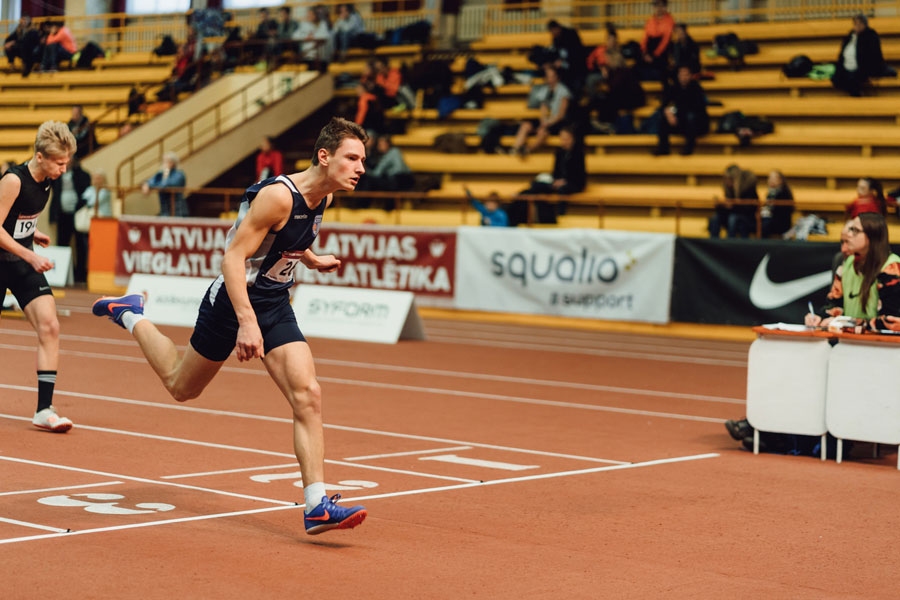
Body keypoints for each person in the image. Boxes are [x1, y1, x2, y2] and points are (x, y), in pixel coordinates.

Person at [91, 116, 369, 535]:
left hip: (275, 301)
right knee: (181, 386)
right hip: (232, 302)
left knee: (308, 394)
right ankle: (131, 313)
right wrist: (246, 323)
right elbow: (233, 257)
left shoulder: (324, 198)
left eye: (363, 159)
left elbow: (290, 239)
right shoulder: (278, 196)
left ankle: (316, 504)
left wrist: (311, 259)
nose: (361, 167)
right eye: (352, 158)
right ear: (325, 156)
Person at [726, 213, 900, 453]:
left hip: (879, 352)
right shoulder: (845, 264)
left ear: (873, 237)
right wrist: (822, 318)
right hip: (845, 346)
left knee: (816, 369)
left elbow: (892, 321)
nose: (846, 233)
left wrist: (845, 324)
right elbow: (833, 305)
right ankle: (771, 431)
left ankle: (786, 436)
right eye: (848, 228)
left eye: (855, 230)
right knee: (797, 364)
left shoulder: (891, 267)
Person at [0, 121, 77, 432]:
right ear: (41, 156)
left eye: (66, 163)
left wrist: (33, 232)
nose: (63, 169)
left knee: (50, 325)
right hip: (9, 259)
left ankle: (44, 409)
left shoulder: (47, 180)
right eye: (59, 163)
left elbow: (15, 220)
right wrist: (30, 254)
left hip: (18, 262)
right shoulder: (13, 181)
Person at [509, 125, 586, 226]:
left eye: (566, 138)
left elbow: (579, 175)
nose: (564, 141)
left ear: (572, 138)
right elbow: (556, 171)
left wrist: (565, 181)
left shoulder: (578, 153)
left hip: (573, 183)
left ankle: (560, 214)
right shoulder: (559, 152)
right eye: (562, 138)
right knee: (538, 185)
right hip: (558, 181)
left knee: (563, 189)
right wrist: (555, 180)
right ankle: (521, 196)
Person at [510, 65, 572, 157]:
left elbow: (561, 114)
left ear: (557, 77)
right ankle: (515, 149)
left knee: (542, 132)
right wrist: (543, 121)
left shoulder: (563, 91)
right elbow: (543, 108)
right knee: (526, 125)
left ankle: (527, 150)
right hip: (547, 121)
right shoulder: (545, 90)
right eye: (548, 76)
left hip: (558, 122)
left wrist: (547, 123)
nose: (550, 79)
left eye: (552, 76)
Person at [49, 154, 91, 285]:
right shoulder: (57, 174)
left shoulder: (82, 174)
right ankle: (64, 273)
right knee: (62, 243)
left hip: (77, 214)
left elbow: (85, 191)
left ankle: (80, 275)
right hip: (62, 214)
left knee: (80, 246)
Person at [651, 65, 709, 156]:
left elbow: (698, 109)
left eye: (686, 75)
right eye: (681, 75)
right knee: (663, 117)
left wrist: (677, 111)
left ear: (690, 76)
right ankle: (663, 148)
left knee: (690, 117)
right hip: (681, 120)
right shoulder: (674, 88)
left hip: (696, 123)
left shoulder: (696, 88)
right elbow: (665, 104)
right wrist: (669, 112)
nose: (683, 78)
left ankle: (688, 148)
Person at [831, 14, 887, 97]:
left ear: (864, 25)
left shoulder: (871, 35)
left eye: (859, 24)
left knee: (854, 80)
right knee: (836, 78)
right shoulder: (851, 35)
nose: (856, 26)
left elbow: (873, 56)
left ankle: (857, 96)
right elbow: (842, 52)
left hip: (862, 68)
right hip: (847, 67)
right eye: (855, 24)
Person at [356, 135, 414, 209]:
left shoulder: (394, 152)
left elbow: (398, 169)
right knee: (370, 182)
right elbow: (376, 173)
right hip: (394, 179)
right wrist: (366, 170)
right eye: (378, 144)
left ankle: (389, 208)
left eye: (381, 144)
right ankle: (362, 204)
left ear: (387, 144)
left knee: (390, 182)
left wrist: (367, 170)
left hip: (403, 179)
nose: (379, 146)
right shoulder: (383, 156)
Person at [708, 164, 759, 238]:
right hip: (731, 215)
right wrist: (721, 206)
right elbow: (728, 209)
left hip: (747, 218)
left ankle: (730, 242)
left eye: (729, 179)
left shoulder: (748, 189)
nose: (726, 181)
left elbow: (749, 209)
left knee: (733, 218)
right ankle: (713, 241)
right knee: (715, 218)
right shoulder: (729, 190)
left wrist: (733, 206)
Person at [546, 19, 586, 95]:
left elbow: (577, 55)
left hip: (576, 69)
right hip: (564, 70)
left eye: (553, 31)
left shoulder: (571, 35)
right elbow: (555, 54)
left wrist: (564, 62)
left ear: (557, 28)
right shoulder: (556, 39)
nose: (553, 33)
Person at [638, 0, 675, 82]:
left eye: (661, 5)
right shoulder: (650, 20)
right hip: (649, 49)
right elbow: (645, 37)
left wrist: (654, 55)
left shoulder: (669, 21)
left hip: (661, 52)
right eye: (656, 6)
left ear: (665, 7)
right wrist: (644, 53)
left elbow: (665, 41)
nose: (659, 8)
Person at [142, 152, 188, 217]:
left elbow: (164, 186)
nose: (164, 164)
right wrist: (146, 184)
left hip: (178, 212)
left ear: (173, 163)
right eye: (164, 161)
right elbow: (152, 180)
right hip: (165, 211)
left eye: (166, 161)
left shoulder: (179, 174)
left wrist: (166, 174)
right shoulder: (160, 174)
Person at [760, 169, 794, 238]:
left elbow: (784, 211)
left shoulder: (784, 193)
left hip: (781, 222)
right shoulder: (770, 193)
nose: (770, 180)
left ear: (781, 180)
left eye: (773, 178)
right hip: (770, 220)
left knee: (765, 224)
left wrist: (769, 212)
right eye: (769, 178)